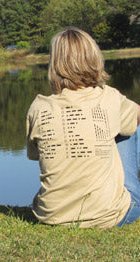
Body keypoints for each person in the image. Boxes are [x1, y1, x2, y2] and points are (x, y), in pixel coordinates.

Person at [26, 27, 140, 229]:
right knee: (131, 124)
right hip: (109, 216)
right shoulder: (109, 97)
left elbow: (35, 155)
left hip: (51, 216)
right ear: (93, 58)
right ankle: (110, 199)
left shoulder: (39, 106)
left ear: (54, 65)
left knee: (122, 121)